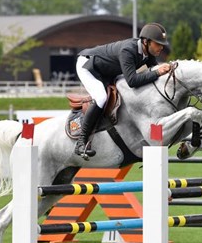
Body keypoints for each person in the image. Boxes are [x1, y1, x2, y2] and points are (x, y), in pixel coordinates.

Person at [74, 22, 173, 159]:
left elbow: (155, 71)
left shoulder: (148, 53)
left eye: (162, 44)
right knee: (101, 97)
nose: (161, 47)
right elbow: (132, 81)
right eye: (158, 43)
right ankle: (81, 142)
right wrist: (158, 73)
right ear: (146, 42)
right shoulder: (128, 50)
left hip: (107, 71)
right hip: (88, 66)